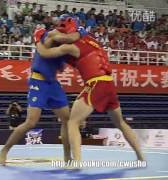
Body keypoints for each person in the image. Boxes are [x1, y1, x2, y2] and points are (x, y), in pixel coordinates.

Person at [35, 16, 144, 162]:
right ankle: (140, 156)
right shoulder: (93, 40)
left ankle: (77, 161)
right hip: (109, 85)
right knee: (121, 123)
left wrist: (37, 39)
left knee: (72, 122)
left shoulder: (71, 47)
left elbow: (44, 53)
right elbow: (82, 56)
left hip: (95, 84)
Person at [0, 22, 87, 165]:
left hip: (53, 84)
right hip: (38, 82)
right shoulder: (49, 35)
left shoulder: (66, 46)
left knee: (67, 120)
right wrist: (81, 33)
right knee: (31, 122)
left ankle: (67, 157)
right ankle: (5, 150)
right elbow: (66, 39)